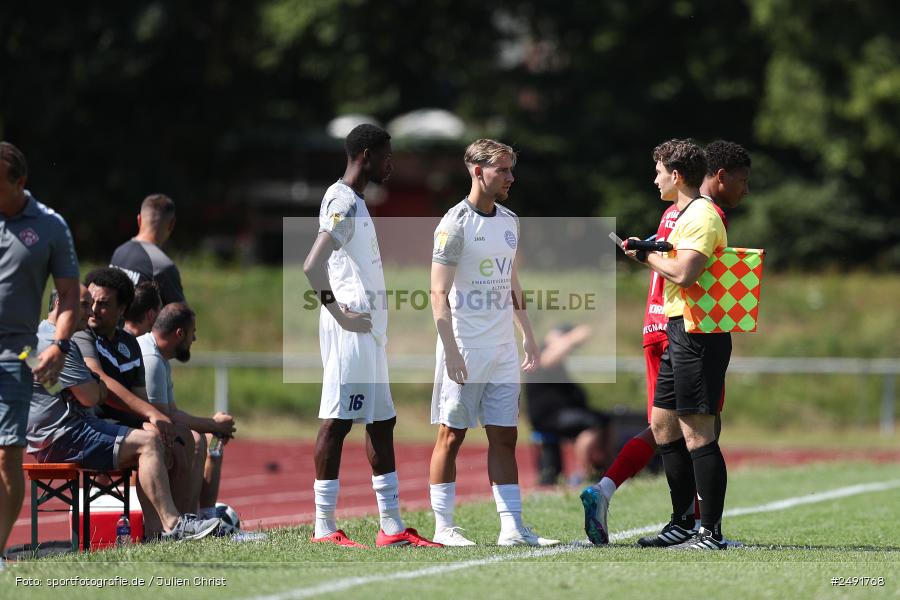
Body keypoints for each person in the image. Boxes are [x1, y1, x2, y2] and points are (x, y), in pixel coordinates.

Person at [580, 140, 750, 547]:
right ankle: (682, 523)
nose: (654, 179)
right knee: (663, 426)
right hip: (675, 328)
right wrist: (651, 250)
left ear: (675, 175)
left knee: (699, 431)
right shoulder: (681, 213)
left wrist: (644, 256)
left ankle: (710, 531)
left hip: (699, 331)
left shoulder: (703, 214)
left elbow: (686, 273)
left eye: (658, 172)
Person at [303, 124, 439, 548]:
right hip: (352, 329)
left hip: (369, 332)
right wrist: (339, 315)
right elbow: (312, 265)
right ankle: (323, 527)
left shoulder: (358, 201)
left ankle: (392, 527)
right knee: (337, 420)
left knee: (382, 422)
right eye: (386, 155)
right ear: (365, 154)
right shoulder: (342, 200)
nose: (390, 164)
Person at [428, 139, 558, 547]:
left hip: (503, 349)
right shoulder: (454, 224)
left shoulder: (509, 221)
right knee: (451, 435)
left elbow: (511, 282)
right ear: (477, 171)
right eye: (502, 169)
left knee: (505, 435)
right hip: (465, 347)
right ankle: (444, 528)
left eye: (511, 169)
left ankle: (512, 528)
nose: (510, 177)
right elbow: (437, 293)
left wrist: (527, 335)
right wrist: (451, 349)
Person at [26, 285, 221, 541]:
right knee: (148, 443)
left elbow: (69, 389)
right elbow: (90, 396)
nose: (91, 312)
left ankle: (158, 533)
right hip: (63, 436)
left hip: (57, 433)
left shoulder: (39, 336)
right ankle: (174, 524)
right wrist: (96, 385)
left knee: (153, 441)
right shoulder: (56, 343)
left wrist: (93, 385)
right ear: (61, 304)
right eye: (85, 305)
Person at [73, 267, 197, 537]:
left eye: (104, 304)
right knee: (153, 439)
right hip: (91, 425)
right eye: (91, 302)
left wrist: (157, 423)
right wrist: (153, 416)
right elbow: (102, 381)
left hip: (121, 425)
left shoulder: (129, 344)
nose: (93, 310)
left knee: (183, 438)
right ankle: (167, 528)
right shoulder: (82, 335)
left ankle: (185, 524)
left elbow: (139, 398)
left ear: (122, 309)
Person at [0, 141, 80, 561]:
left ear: (20, 183)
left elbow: (69, 295)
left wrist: (60, 346)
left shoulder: (50, 226)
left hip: (14, 356)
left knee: (6, 455)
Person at [138, 302, 236, 526]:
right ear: (180, 333)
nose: (195, 339)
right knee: (196, 440)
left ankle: (206, 515)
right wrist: (214, 424)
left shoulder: (160, 358)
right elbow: (166, 418)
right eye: (193, 333)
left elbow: (171, 412)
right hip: (135, 431)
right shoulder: (152, 359)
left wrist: (214, 427)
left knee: (213, 442)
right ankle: (186, 521)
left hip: (150, 427)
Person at [525, 324, 611, 485]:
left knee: (603, 418)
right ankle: (586, 473)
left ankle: (604, 468)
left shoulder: (558, 362)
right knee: (593, 423)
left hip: (558, 414)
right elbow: (548, 360)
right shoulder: (541, 352)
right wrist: (573, 337)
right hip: (548, 416)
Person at [110, 193, 186, 306]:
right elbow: (180, 314)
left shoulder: (119, 251)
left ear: (139, 219)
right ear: (171, 224)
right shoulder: (162, 266)